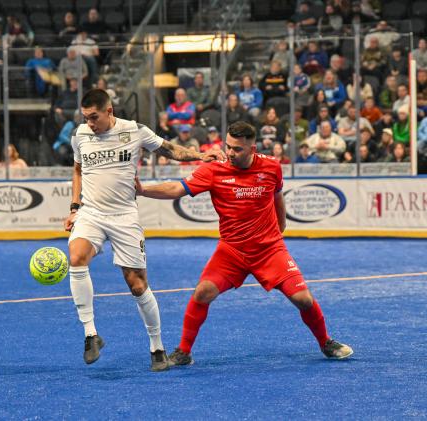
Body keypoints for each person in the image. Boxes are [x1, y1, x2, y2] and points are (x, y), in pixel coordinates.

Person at [134, 121, 353, 366]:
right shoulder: (214, 170)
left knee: (303, 299)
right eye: (228, 146)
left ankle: (326, 342)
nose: (230, 153)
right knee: (202, 292)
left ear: (252, 148)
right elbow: (177, 188)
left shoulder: (272, 167)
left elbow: (277, 196)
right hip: (231, 251)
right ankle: (184, 352)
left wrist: (280, 229)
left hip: (269, 251)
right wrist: (143, 191)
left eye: (237, 149)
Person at [63, 89, 223, 371]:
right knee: (75, 258)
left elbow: (170, 149)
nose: (89, 123)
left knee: (137, 285)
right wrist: (75, 207)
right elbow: (77, 170)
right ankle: (91, 334)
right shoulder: (80, 135)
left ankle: (157, 347)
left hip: (125, 215)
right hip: (91, 212)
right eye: (85, 117)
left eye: (94, 117)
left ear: (109, 111)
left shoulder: (135, 131)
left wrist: (201, 155)